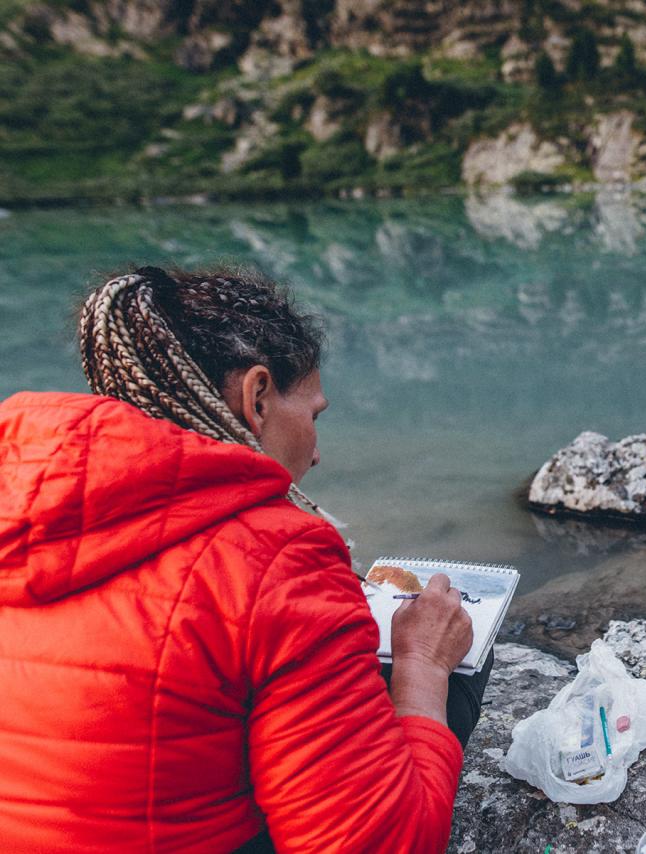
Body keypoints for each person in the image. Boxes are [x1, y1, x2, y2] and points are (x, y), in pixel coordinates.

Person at [0, 267, 485, 852]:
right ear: (256, 398)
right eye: (313, 415)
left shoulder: (19, 499)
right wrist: (422, 668)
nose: (319, 453)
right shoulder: (275, 558)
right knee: (460, 659)